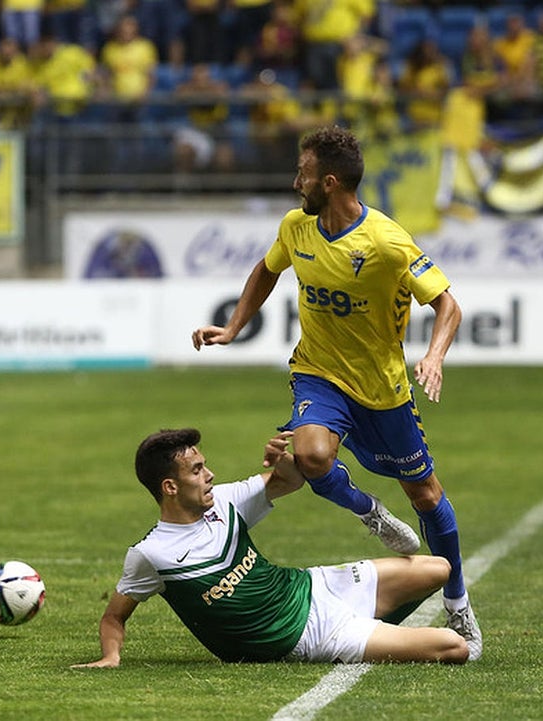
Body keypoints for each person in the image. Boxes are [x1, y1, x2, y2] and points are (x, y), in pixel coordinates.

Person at [191, 126, 481, 660]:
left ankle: (457, 599)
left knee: (425, 495)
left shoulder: (386, 242)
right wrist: (232, 328)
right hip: (318, 373)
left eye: (302, 173)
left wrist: (434, 356)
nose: (294, 182)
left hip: (382, 389)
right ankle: (369, 511)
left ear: (328, 182)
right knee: (309, 456)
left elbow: (448, 305)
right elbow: (266, 270)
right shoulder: (295, 227)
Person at [71, 428, 470, 666]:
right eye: (197, 470)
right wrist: (111, 656)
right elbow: (114, 617)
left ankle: (374, 631)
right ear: (170, 487)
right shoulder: (151, 554)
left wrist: (281, 459)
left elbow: (289, 481)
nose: (210, 475)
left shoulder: (225, 501)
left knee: (439, 569)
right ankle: (366, 636)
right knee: (454, 647)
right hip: (312, 635)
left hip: (313, 586)